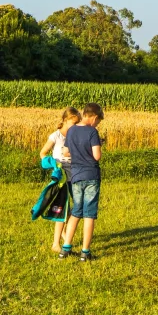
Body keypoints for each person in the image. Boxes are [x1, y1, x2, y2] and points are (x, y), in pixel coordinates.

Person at [58, 102, 104, 262]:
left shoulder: (71, 131)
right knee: (89, 214)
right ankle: (85, 252)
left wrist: (78, 154)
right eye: (98, 121)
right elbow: (97, 156)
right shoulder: (92, 132)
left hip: (75, 176)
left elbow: (66, 152)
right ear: (94, 117)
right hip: (91, 175)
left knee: (76, 212)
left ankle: (66, 249)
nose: (97, 124)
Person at [40, 107, 81, 252]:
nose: (75, 127)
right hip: (61, 176)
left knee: (75, 207)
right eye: (73, 123)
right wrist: (52, 163)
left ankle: (64, 233)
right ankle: (56, 244)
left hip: (75, 173)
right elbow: (43, 153)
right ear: (65, 121)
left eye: (77, 123)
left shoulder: (75, 136)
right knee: (62, 208)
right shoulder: (55, 136)